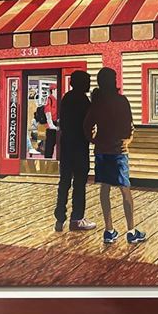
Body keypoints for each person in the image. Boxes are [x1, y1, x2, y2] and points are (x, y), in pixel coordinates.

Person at [83, 67, 146, 245]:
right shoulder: (121, 101)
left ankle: (109, 230)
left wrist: (94, 139)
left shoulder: (97, 102)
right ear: (114, 81)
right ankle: (131, 231)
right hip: (118, 150)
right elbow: (128, 125)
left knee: (105, 189)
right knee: (125, 189)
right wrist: (127, 140)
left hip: (102, 151)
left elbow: (87, 125)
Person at [54, 71, 96, 232]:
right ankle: (77, 218)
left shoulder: (66, 98)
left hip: (66, 145)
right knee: (79, 183)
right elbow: (89, 121)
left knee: (64, 181)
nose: (89, 84)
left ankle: (60, 218)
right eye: (87, 81)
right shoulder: (83, 100)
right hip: (79, 145)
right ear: (81, 83)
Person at [44, 83, 58, 158]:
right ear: (53, 90)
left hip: (58, 123)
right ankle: (48, 159)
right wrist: (51, 125)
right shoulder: (49, 99)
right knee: (50, 144)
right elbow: (47, 112)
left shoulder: (58, 99)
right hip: (51, 125)